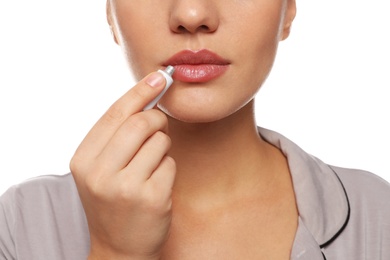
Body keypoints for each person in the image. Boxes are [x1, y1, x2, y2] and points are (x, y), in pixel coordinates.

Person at [1, 0, 389, 259]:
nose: (191, 13)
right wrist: (115, 253)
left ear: (287, 10)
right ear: (110, 14)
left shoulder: (378, 214)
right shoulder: (20, 224)